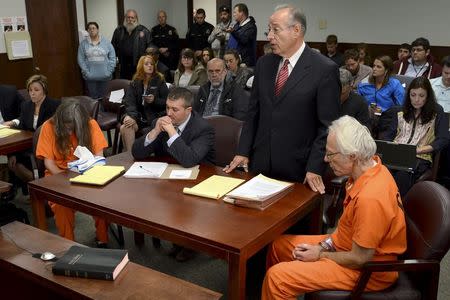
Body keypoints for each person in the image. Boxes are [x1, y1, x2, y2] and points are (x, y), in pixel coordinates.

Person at [261, 115, 407, 299]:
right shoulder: (370, 168)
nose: (325, 158)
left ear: (352, 156)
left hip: (368, 271)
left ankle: (279, 288)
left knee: (278, 279)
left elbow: (359, 258)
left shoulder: (371, 199)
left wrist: (321, 254)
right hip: (347, 247)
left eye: (331, 154)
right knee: (279, 246)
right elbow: (347, 231)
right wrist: (326, 245)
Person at [224, 4, 340, 194]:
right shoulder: (264, 64)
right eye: (268, 29)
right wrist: (243, 151)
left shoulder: (324, 69)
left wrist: (314, 167)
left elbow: (327, 126)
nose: (269, 36)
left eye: (275, 29)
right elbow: (253, 112)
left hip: (299, 170)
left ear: (296, 30)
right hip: (260, 165)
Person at [132, 87, 214, 262]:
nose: (169, 113)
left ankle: (191, 244)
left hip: (199, 178)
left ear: (188, 110)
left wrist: (171, 132)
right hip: (171, 177)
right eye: (168, 107)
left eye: (175, 109)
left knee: (181, 204)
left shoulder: (203, 128)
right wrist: (154, 132)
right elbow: (137, 153)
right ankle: (176, 239)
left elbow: (189, 159)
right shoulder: (162, 121)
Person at [36, 99, 109, 246]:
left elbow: (99, 158)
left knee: (103, 199)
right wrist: (67, 183)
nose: (69, 132)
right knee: (61, 205)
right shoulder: (48, 126)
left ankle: (103, 239)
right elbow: (48, 163)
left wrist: (89, 177)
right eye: (66, 127)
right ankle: (69, 244)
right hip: (58, 174)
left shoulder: (91, 124)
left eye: (73, 128)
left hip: (87, 174)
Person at [384, 77, 449, 196]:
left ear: (428, 96)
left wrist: (420, 150)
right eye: (413, 95)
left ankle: (396, 208)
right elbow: (388, 135)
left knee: (402, 176)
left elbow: (443, 139)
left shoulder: (437, 112)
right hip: (396, 153)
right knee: (380, 172)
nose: (416, 100)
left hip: (420, 157)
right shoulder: (400, 111)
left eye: (421, 96)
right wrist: (391, 147)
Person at [5, 75, 60, 187]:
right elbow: (22, 128)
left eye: (36, 90)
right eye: (30, 90)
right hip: (29, 146)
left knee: (25, 162)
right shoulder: (26, 106)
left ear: (44, 90)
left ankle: (38, 186)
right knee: (13, 162)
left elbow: (54, 131)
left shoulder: (54, 105)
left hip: (48, 146)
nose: (32, 93)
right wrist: (14, 154)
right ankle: (34, 186)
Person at [120, 55, 168, 152]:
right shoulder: (135, 82)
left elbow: (167, 102)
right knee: (126, 127)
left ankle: (132, 154)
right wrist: (132, 117)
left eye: (152, 64)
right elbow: (129, 102)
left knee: (125, 127)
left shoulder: (160, 80)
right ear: (141, 66)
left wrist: (154, 101)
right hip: (139, 117)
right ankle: (131, 155)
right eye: (146, 64)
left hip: (154, 117)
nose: (150, 66)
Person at [77, 21, 116, 99]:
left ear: (98, 30)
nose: (91, 30)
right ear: (87, 31)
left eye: (93, 28)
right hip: (90, 77)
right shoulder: (83, 44)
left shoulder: (106, 42)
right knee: (93, 98)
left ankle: (103, 111)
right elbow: (80, 59)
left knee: (105, 97)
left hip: (105, 76)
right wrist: (86, 72)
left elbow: (113, 57)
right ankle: (95, 111)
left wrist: (109, 71)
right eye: (89, 29)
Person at [111, 9, 152, 80]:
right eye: (128, 17)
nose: (130, 19)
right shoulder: (119, 30)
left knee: (137, 84)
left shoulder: (143, 30)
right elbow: (112, 46)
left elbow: (150, 45)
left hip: (138, 64)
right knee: (124, 85)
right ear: (125, 18)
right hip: (123, 65)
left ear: (136, 19)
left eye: (132, 17)